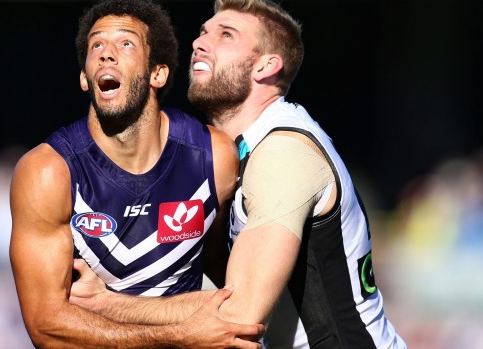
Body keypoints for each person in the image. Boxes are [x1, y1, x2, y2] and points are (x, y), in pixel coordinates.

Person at [68, 0, 407, 348]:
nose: (200, 43)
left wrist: (108, 302)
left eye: (225, 35)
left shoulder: (283, 153)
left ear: (266, 66)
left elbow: (239, 317)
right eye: (203, 33)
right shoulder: (236, 154)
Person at [8, 0, 265, 347]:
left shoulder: (214, 157)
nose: (106, 54)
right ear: (85, 78)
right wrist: (179, 336)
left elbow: (228, 280)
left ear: (157, 73)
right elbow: (46, 326)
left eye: (125, 43)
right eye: (96, 45)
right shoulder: (48, 172)